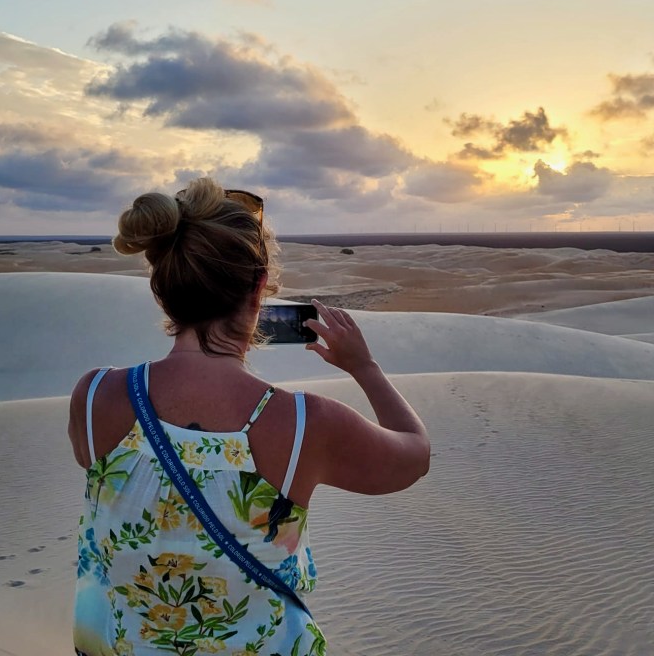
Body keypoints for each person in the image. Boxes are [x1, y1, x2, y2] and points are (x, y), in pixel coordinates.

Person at [68, 177, 430, 656]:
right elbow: (414, 455)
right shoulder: (305, 425)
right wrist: (364, 366)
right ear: (259, 290)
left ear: (163, 288)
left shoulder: (95, 397)